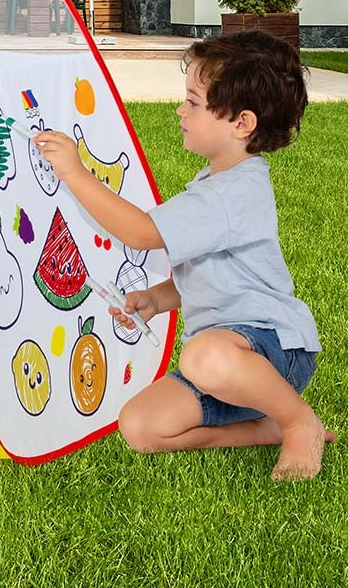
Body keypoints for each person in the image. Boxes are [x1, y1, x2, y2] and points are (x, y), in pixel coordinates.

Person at [35, 31, 334, 480]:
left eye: (193, 102)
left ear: (242, 123)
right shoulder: (214, 184)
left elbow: (140, 233)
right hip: (224, 362)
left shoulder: (231, 194)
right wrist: (156, 299)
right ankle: (265, 428)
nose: (180, 110)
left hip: (273, 350)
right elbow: (214, 276)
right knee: (141, 426)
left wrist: (75, 173)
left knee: (201, 356)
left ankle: (297, 423)